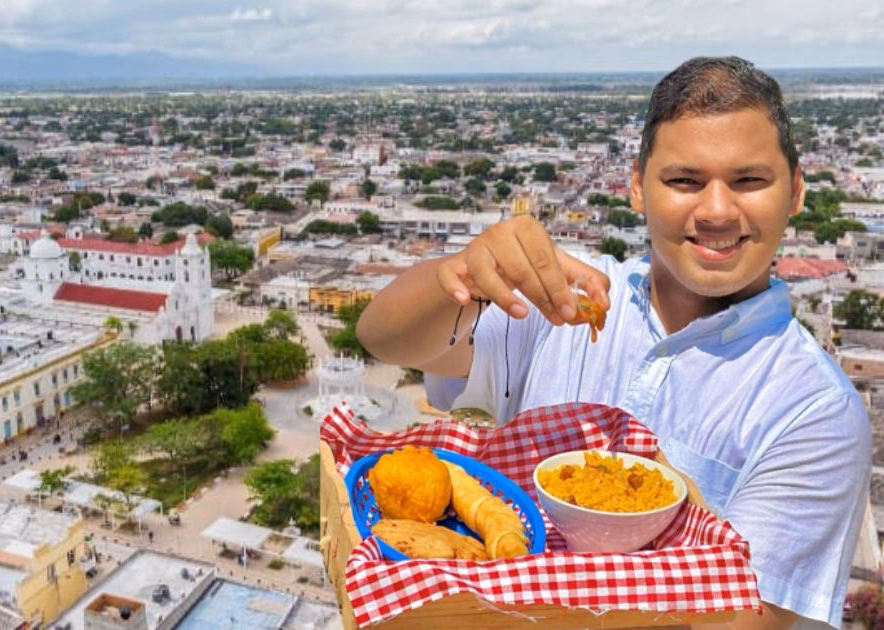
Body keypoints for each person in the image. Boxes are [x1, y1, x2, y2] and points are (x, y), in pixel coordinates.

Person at [357, 57, 869, 630]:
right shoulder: (569, 302)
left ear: (795, 191)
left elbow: (744, 619)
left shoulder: (812, 407)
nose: (718, 210)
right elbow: (385, 337)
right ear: (635, 188)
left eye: (749, 180)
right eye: (684, 180)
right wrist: (459, 277)